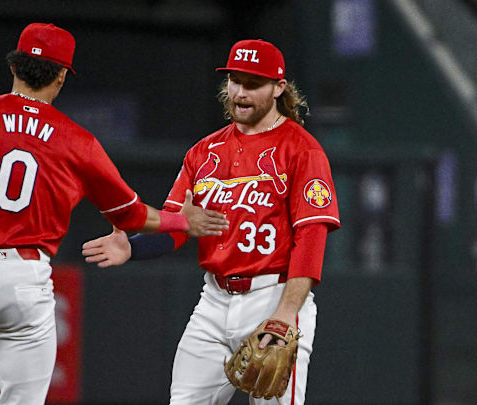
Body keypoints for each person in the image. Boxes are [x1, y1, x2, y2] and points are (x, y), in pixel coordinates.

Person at [0, 23, 228, 405]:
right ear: (62, 76)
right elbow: (132, 215)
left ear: (14, 68)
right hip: (26, 279)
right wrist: (184, 220)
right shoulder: (78, 141)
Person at [82, 39, 340, 404]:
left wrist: (284, 314)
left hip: (274, 296)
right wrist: (133, 247)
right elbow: (179, 226)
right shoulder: (203, 153)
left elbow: (312, 237)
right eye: (235, 80)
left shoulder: (303, 150)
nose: (240, 92)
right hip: (214, 302)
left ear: (279, 88)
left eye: (253, 83)